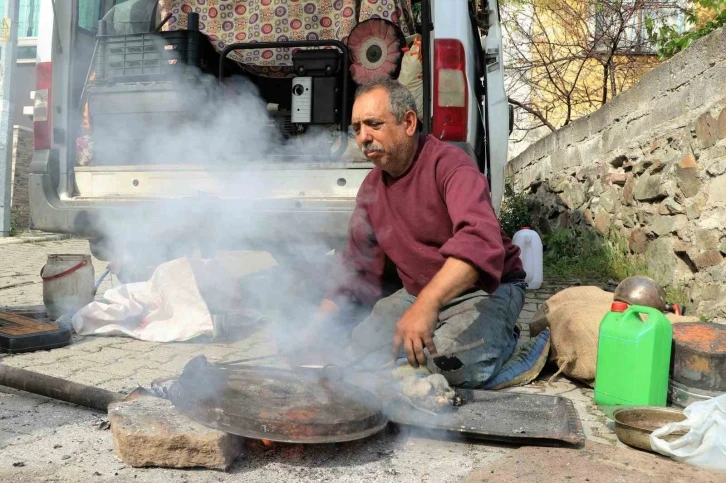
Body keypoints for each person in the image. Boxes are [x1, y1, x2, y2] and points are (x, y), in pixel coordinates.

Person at [314, 78, 527, 388]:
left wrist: (427, 304)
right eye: (357, 128)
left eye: (373, 124)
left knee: (451, 365)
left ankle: (505, 338)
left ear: (409, 122)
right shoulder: (371, 190)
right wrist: (317, 324)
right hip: (418, 293)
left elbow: (480, 241)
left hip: (484, 289)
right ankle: (443, 331)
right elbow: (356, 268)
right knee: (358, 350)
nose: (363, 137)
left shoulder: (452, 165)